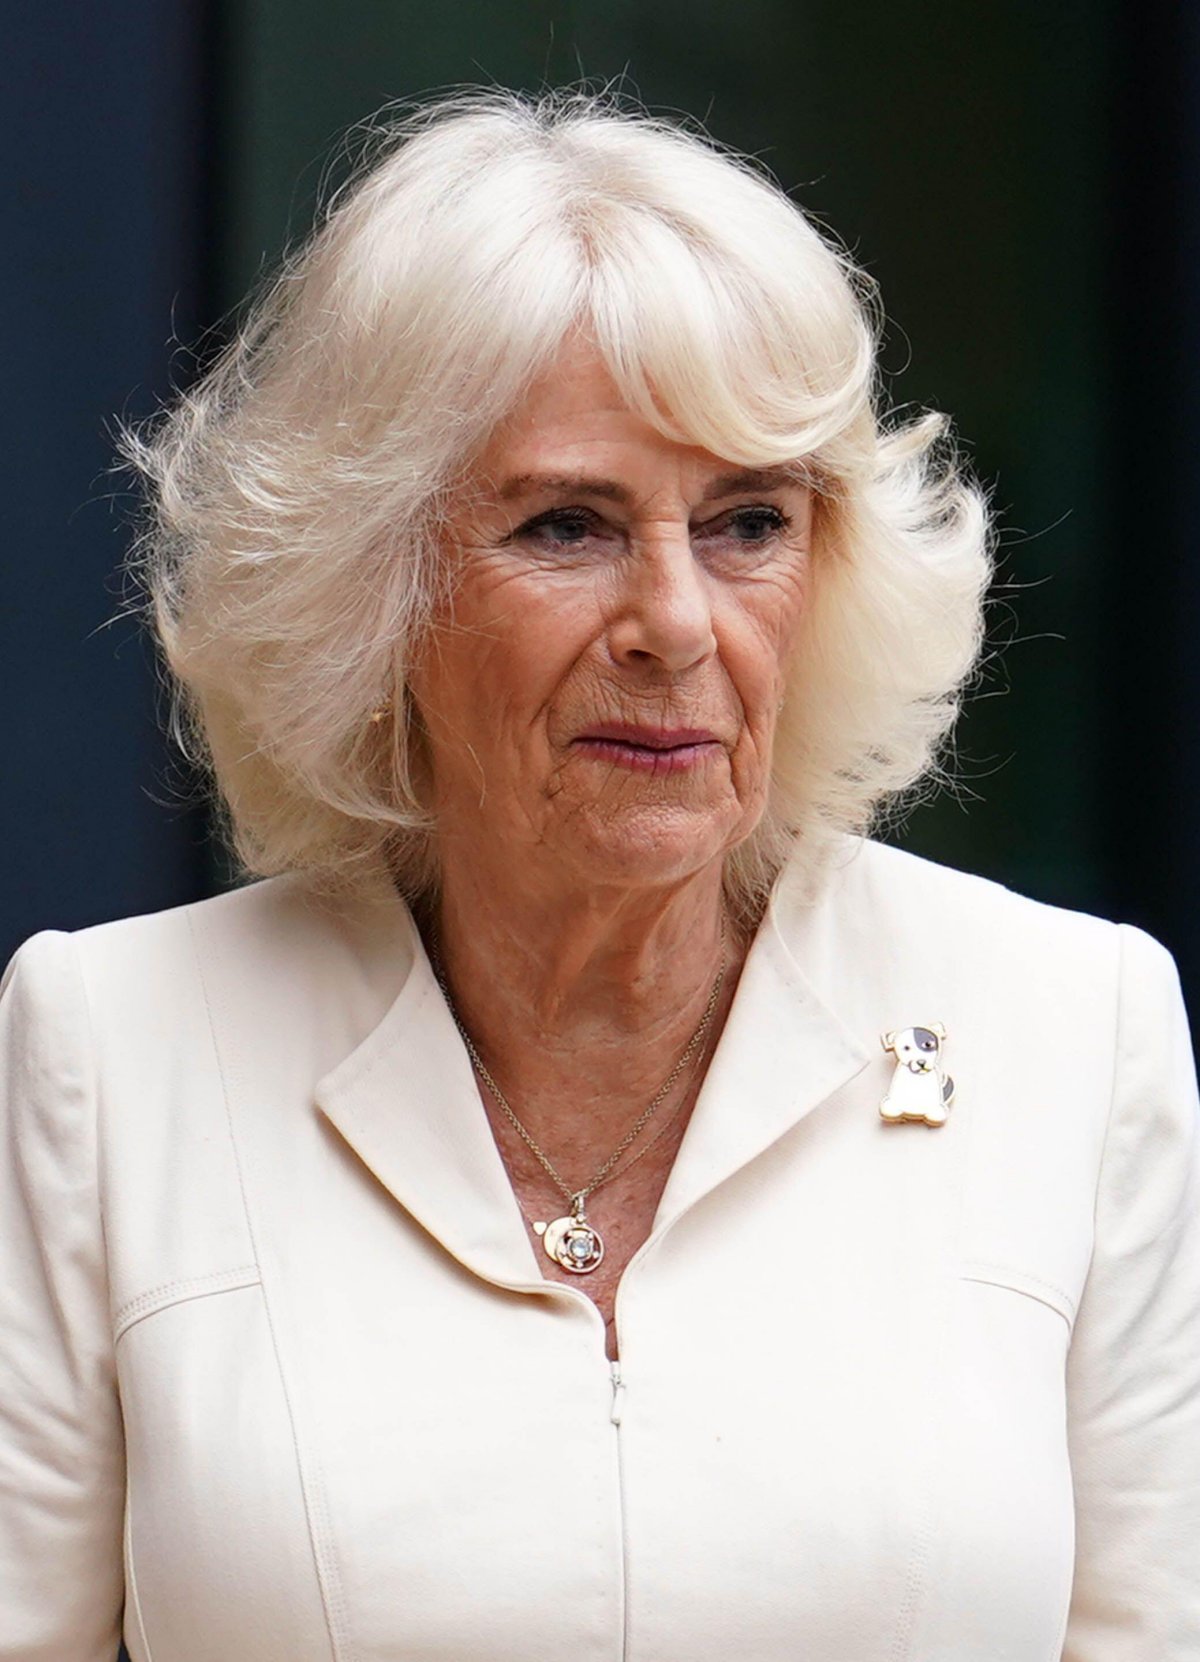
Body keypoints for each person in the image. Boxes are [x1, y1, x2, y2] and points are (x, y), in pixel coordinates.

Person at [2, 89, 1197, 1662]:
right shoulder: (114, 1042)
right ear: (380, 583)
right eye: (568, 525)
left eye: (746, 522)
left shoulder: (1070, 1026)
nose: (677, 621)